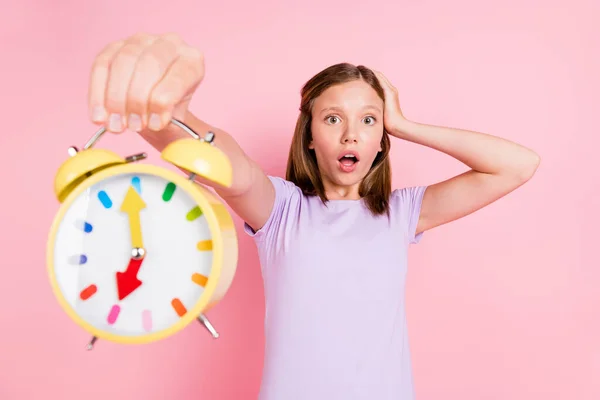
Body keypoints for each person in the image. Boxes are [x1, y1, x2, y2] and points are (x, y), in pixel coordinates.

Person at [87, 33, 540, 399]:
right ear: (309, 137)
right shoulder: (281, 209)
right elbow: (228, 167)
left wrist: (405, 125)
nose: (351, 135)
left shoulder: (401, 214)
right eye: (332, 119)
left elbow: (517, 165)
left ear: (382, 140)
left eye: (368, 120)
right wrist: (166, 113)